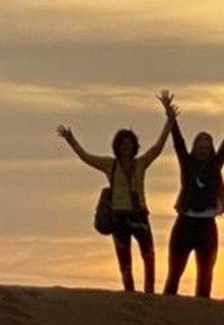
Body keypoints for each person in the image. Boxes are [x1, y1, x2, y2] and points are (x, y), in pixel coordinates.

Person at [56, 95, 173, 294]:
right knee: (124, 261)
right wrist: (71, 140)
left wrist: (169, 119)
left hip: (140, 215)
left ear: (134, 145)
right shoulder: (110, 165)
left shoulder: (140, 163)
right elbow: (86, 157)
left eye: (129, 143)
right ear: (118, 146)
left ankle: (149, 294)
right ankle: (130, 295)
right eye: (123, 143)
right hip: (119, 216)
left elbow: (157, 148)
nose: (126, 146)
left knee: (149, 256)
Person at [164, 97, 224, 299]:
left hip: (207, 226)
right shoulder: (187, 163)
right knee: (174, 273)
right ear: (195, 149)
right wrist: (170, 116)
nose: (203, 151)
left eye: (206, 147)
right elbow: (178, 142)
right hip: (184, 222)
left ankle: (202, 311)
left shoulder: (214, 165)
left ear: (210, 150)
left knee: (205, 275)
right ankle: (165, 309)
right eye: (200, 147)